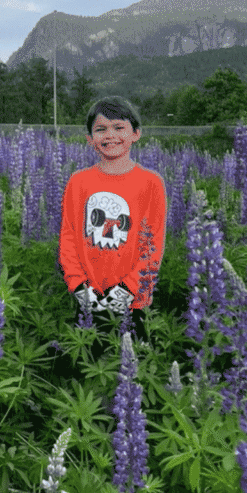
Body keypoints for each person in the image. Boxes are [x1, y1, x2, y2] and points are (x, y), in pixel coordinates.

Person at [55, 96, 167, 370]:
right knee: (90, 370)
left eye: (119, 127)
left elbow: (152, 245)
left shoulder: (151, 183)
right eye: (101, 129)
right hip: (87, 295)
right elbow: (68, 236)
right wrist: (78, 286)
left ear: (136, 134)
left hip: (133, 300)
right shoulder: (78, 182)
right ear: (89, 138)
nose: (110, 136)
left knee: (132, 375)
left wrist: (128, 290)